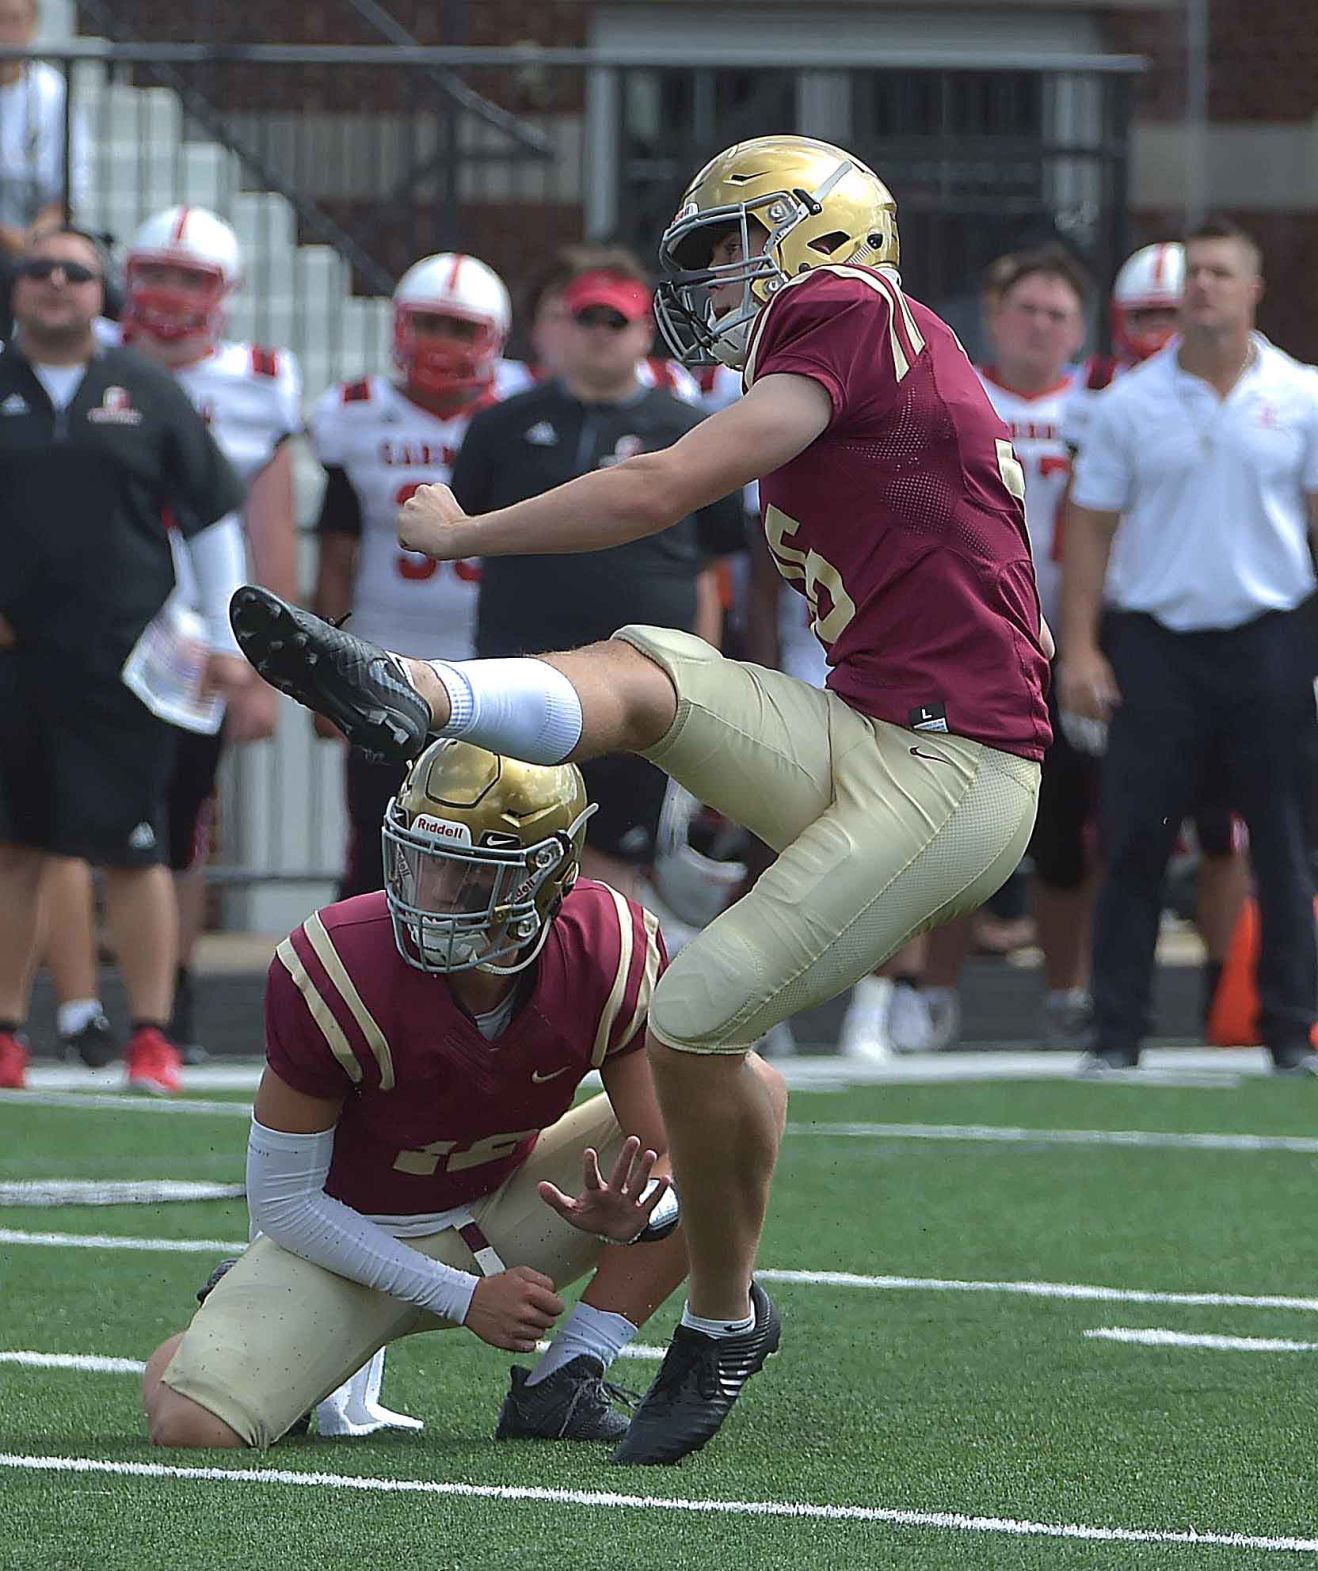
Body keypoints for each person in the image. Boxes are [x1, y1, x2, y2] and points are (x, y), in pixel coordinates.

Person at [229, 134, 1050, 1462]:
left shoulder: (844, 312)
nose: (717, 279)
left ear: (814, 233)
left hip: (959, 769)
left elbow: (662, 484)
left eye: (732, 245)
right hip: (872, 731)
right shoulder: (852, 352)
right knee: (651, 672)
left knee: (692, 1014)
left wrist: (464, 531)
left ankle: (720, 1316)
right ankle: (412, 690)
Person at [143, 738, 789, 1454]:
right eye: (423, 859)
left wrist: (645, 1210)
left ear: (545, 877)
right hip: (346, 1239)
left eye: (468, 871)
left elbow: (673, 1145)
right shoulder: (338, 964)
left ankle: (570, 1373)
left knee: (743, 1093)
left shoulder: (606, 945)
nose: (432, 890)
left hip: (512, 1204)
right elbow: (284, 1201)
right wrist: (466, 1296)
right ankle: (237, 1319)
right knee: (194, 1424)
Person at [38, 205, 300, 1067]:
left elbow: (258, 526)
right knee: (49, 826)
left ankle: (164, 1006)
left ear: (225, 291)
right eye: (156, 272)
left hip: (188, 645)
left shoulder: (257, 379)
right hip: (73, 625)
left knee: (167, 830)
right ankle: (74, 1009)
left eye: (192, 278)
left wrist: (264, 664)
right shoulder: (75, 360)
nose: (169, 294)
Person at [1062, 218, 1318, 1076]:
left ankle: (1291, 1029)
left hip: (1269, 635)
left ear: (1253, 289)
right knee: (1135, 835)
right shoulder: (1129, 404)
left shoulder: (1302, 392)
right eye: (1192, 275)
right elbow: (1089, 530)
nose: (1202, 287)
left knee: (1282, 840)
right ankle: (1116, 1033)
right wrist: (1082, 649)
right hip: (1156, 644)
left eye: (1219, 273)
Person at [0, 225, 250, 1093]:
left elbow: (214, 515)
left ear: (101, 289)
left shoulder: (147, 390)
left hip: (128, 660)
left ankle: (151, 1034)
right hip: (17, 661)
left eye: (75, 272)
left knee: (136, 849)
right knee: (14, 847)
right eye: (39, 271)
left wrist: (228, 639)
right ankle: (5, 1036)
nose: (56, 284)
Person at [447, 249, 746, 900]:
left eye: (617, 321)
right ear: (560, 326)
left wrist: (704, 677)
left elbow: (712, 566)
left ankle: (603, 995)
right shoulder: (500, 426)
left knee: (610, 870)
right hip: (518, 677)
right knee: (500, 852)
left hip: (643, 685)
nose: (600, 334)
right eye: (588, 318)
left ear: (644, 332)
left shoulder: (689, 431)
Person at [1063, 240, 1251, 1030]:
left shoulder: (1256, 388)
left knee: (1226, 830)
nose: (1161, 330)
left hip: (1228, 622)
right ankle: (1099, 1001)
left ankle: (1224, 993)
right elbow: (1083, 524)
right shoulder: (1103, 401)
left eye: (1170, 316)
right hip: (1124, 626)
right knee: (1119, 828)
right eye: (1147, 317)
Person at [912, 247, 1090, 1052]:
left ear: (1080, 328)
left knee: (1069, 833)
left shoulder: (1102, 405)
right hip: (971, 637)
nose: (1040, 326)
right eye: (1026, 309)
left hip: (1078, 642)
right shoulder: (955, 390)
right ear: (992, 313)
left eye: (1056, 313)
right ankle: (930, 992)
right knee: (959, 827)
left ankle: (1066, 993)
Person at [310, 250, 523, 898]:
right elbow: (337, 552)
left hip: (493, 667)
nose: (440, 343)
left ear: (494, 337)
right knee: (375, 842)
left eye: (460, 328)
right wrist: (324, 668)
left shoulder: (523, 410)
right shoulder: (352, 412)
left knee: (495, 840)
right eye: (429, 324)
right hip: (384, 661)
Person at [0, 0, 85, 336]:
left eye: (12, 21)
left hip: (38, 238)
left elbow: (69, 189)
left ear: (32, 26)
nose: (4, 34)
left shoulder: (52, 92)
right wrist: (14, 240)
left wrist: (38, 239)